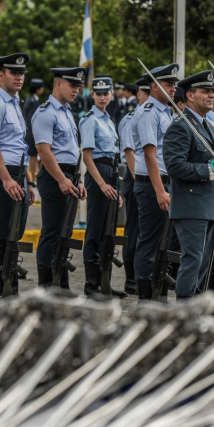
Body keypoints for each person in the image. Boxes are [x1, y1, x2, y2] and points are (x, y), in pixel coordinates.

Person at [163, 70, 214, 302]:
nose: (211, 95)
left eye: (212, 91)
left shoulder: (207, 126)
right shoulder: (181, 126)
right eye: (205, 91)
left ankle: (194, 309)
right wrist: (210, 168)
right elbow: (175, 167)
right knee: (193, 260)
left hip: (209, 205)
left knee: (203, 263)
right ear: (190, 96)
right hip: (191, 205)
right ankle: (183, 311)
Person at [0, 53, 37, 299]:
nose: (19, 77)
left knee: (14, 234)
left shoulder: (14, 103)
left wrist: (28, 180)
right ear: (1, 75)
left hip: (18, 175)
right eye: (14, 73)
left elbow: (20, 147)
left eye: (22, 73)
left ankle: (9, 288)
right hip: (1, 175)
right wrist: (6, 179)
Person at [31, 67, 88, 289]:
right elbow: (44, 151)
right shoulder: (46, 112)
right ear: (58, 84)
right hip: (55, 176)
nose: (76, 90)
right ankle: (46, 285)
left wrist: (78, 180)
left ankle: (60, 283)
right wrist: (62, 179)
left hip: (69, 175)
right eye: (72, 85)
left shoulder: (66, 112)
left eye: (78, 86)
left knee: (65, 232)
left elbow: (73, 150)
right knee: (53, 232)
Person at [131, 64, 179, 301]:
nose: (174, 89)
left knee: (164, 241)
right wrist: (160, 191)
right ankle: (146, 296)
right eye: (169, 84)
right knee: (149, 241)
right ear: (154, 86)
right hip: (153, 185)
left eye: (174, 84)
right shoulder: (149, 112)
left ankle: (158, 291)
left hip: (163, 183)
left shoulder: (164, 112)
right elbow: (150, 155)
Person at [80, 75, 126, 298]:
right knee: (96, 230)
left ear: (111, 94)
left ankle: (104, 284)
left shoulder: (108, 119)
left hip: (111, 172)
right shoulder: (90, 119)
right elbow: (87, 157)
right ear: (92, 95)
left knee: (108, 231)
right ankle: (91, 286)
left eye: (105, 93)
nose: (101, 97)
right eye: (97, 93)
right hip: (98, 173)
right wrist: (102, 184)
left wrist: (114, 187)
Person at [118, 76, 150, 295]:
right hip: (135, 175)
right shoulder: (131, 119)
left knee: (147, 229)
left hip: (149, 175)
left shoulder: (154, 116)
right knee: (134, 228)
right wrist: (138, 179)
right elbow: (130, 153)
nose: (149, 97)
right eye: (145, 92)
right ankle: (131, 278)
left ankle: (144, 274)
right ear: (138, 94)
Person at [23, 78, 44, 179]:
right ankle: (33, 177)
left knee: (37, 156)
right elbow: (32, 119)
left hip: (33, 132)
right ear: (37, 89)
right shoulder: (31, 101)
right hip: (31, 133)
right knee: (33, 155)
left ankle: (36, 176)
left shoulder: (34, 99)